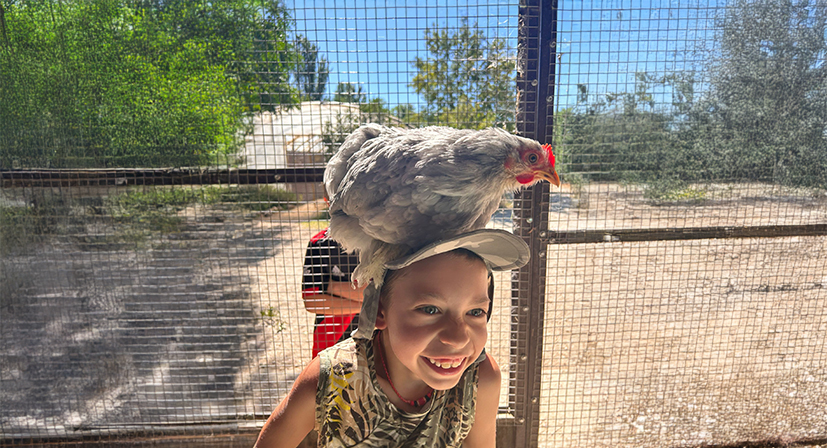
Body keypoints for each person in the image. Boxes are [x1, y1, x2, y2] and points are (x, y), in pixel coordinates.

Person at [255, 229, 530, 448]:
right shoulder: (332, 379)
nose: (458, 339)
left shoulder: (480, 379)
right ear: (378, 311)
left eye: (476, 312)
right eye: (430, 309)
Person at [302, 228, 366, 358]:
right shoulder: (320, 242)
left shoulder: (383, 239)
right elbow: (311, 302)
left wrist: (331, 286)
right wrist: (370, 307)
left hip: (376, 337)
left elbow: (380, 293)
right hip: (330, 339)